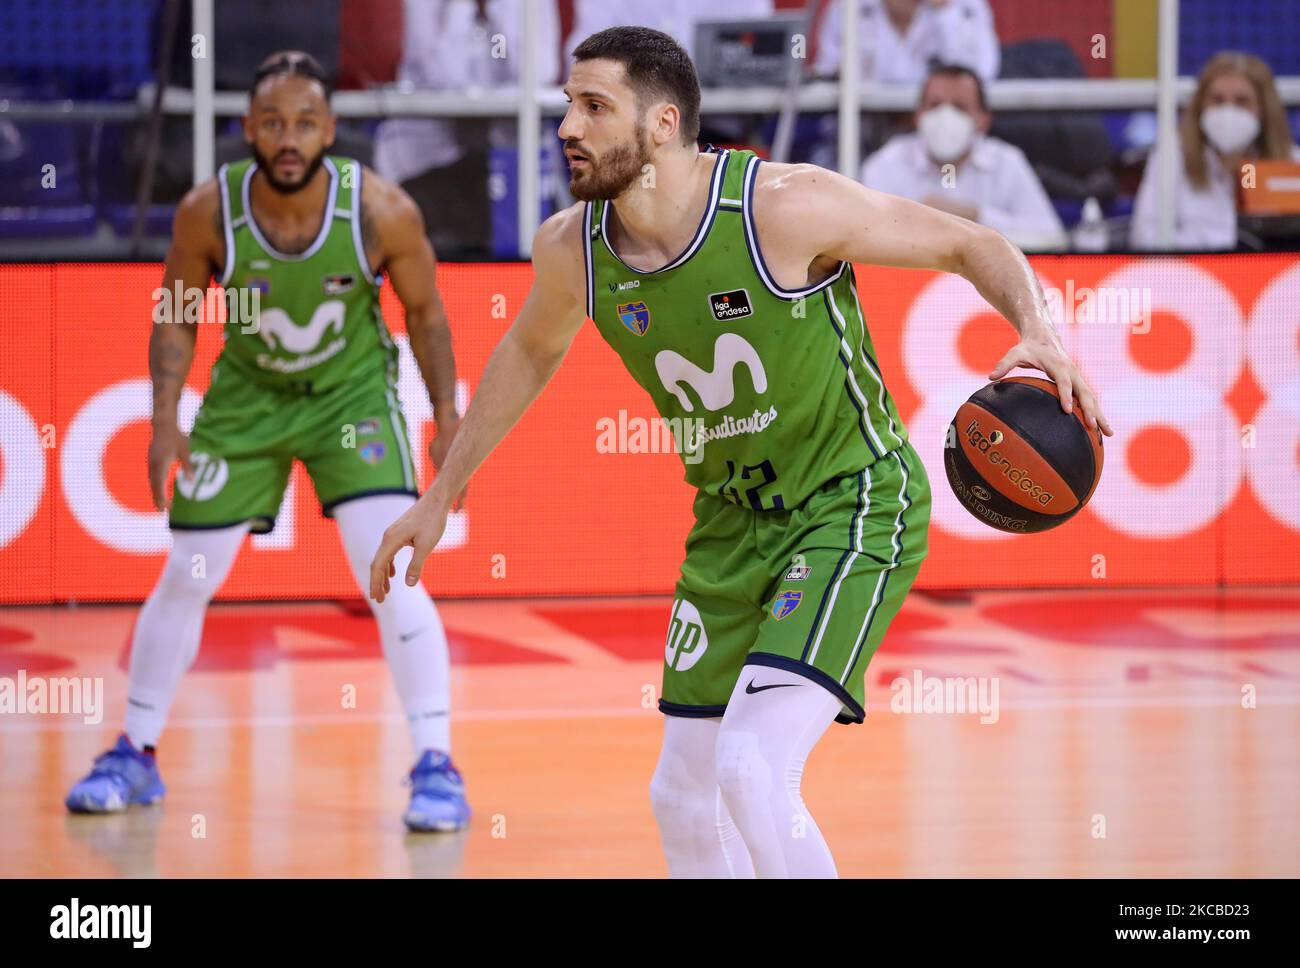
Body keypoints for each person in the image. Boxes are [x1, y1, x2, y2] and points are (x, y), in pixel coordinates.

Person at [370, 27, 1111, 877]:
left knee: (752, 770)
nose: (568, 125)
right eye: (568, 105)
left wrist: (1039, 334)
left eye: (594, 106)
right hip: (729, 523)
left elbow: (969, 243)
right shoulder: (571, 248)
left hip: (851, 501)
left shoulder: (782, 207)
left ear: (661, 124)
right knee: (680, 797)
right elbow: (531, 351)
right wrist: (441, 494)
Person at [65, 52, 472, 833]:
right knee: (187, 574)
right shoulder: (205, 213)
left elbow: (426, 314)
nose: (289, 138)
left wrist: (447, 416)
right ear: (248, 129)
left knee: (388, 571)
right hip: (247, 399)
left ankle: (435, 763)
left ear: (330, 130)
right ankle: (134, 753)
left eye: (305, 123)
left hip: (349, 397)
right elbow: (178, 313)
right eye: (274, 124)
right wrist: (161, 420)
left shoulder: (382, 209)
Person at [374, 0, 560, 259]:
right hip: (428, 161)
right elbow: (446, 77)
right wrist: (462, 6)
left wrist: (493, 10)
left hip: (507, 160)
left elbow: (540, 72)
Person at [860, 64, 1066, 251]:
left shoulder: (1007, 162)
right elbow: (865, 238)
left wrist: (975, 217)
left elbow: (1051, 237)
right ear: (918, 115)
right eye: (935, 105)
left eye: (959, 107)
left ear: (983, 120)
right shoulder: (886, 164)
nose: (945, 116)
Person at [1131, 51, 1300, 250]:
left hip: (1273, 278)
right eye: (1217, 100)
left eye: (1242, 101)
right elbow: (1144, 237)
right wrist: (1225, 249)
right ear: (1201, 105)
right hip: (1189, 278)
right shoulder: (1171, 157)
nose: (1228, 111)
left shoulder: (1291, 163)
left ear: (1263, 108)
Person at [814, 0, 1000, 84]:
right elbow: (827, 69)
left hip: (937, 134)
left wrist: (944, 11)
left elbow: (982, 72)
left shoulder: (966, 6)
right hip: (863, 130)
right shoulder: (848, 6)